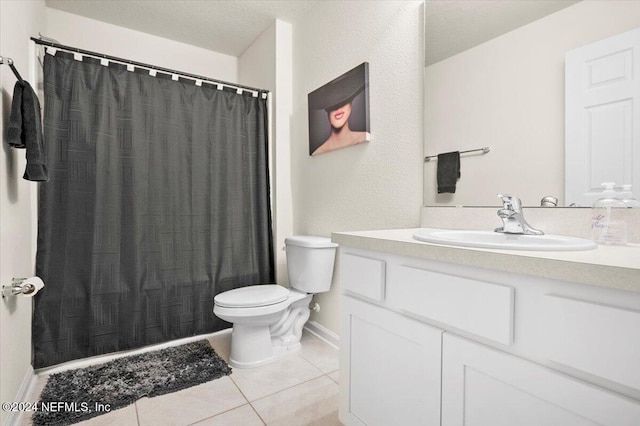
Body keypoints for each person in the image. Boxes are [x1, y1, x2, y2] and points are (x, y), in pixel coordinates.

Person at [308, 63, 369, 156]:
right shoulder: (318, 152)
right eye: (332, 102)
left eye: (344, 99)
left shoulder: (364, 136)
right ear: (326, 108)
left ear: (351, 102)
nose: (338, 107)